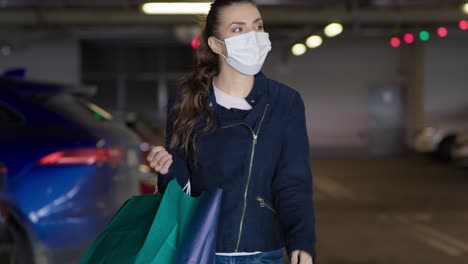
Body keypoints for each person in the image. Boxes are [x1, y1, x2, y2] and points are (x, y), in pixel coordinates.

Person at [147, 0, 316, 263]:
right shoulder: (186, 100)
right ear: (216, 45)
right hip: (202, 248)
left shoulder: (286, 102)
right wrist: (167, 168)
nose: (253, 37)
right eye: (238, 30)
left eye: (258, 27)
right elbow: (183, 184)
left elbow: (293, 182)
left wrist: (302, 242)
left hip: (262, 252)